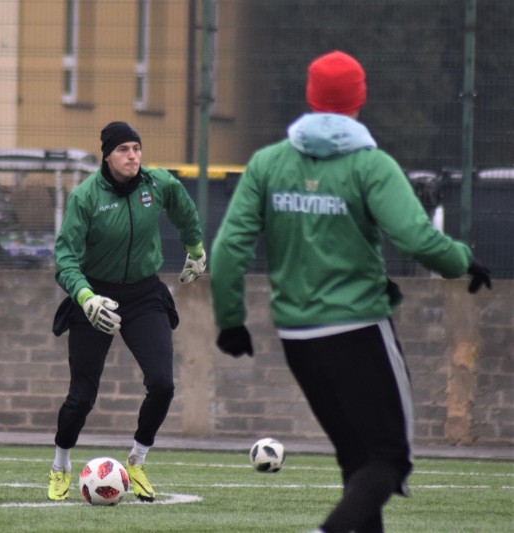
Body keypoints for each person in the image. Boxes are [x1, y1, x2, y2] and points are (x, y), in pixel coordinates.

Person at [209, 50, 491, 533]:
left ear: (310, 95)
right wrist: (463, 261)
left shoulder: (268, 163)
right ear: (360, 99)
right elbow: (418, 239)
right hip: (359, 329)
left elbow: (228, 250)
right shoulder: (371, 165)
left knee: (356, 462)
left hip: (298, 337)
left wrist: (231, 320)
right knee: (388, 460)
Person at [47, 121, 206, 502]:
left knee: (163, 384)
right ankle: (60, 464)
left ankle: (137, 460)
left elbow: (184, 212)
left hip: (144, 294)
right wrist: (86, 297)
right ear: (106, 154)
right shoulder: (85, 197)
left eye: (136, 148)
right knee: (82, 397)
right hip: (95, 294)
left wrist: (197, 249)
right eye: (123, 149)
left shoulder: (158, 184)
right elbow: (65, 256)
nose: (132, 155)